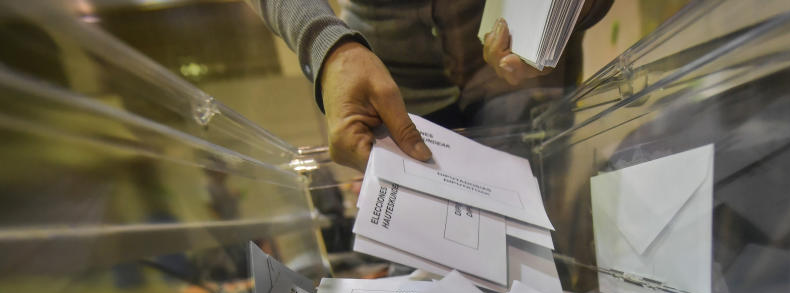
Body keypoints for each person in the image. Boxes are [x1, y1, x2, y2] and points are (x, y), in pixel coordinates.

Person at [245, 0, 612, 171]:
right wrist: (329, 46)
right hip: (384, 74)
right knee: (418, 265)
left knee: (538, 250)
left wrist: (575, 9)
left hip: (520, 53)